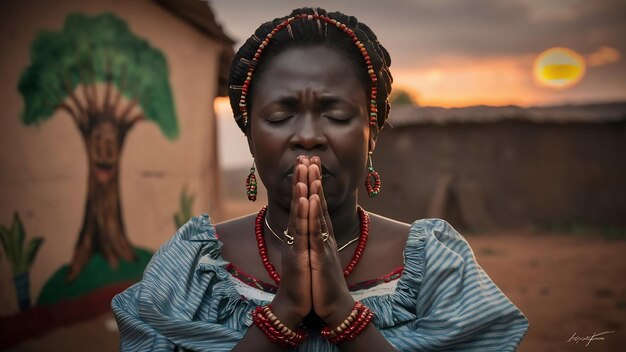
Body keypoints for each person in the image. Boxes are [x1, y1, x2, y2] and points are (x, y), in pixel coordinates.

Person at [112, 7, 528, 351]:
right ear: (250, 134)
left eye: (336, 115)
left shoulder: (435, 266)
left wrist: (343, 314)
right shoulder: (191, 266)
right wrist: (284, 312)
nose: (308, 136)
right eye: (280, 116)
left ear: (372, 132)